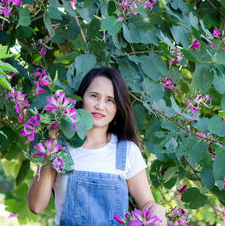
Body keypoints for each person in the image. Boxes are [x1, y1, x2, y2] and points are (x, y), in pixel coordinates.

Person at [27, 67, 167, 225]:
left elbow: (147, 204)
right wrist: (50, 144)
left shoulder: (127, 151)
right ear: (81, 98)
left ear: (118, 107)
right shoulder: (59, 148)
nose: (100, 106)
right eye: (94, 96)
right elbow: (36, 206)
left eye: (110, 100)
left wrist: (157, 209)